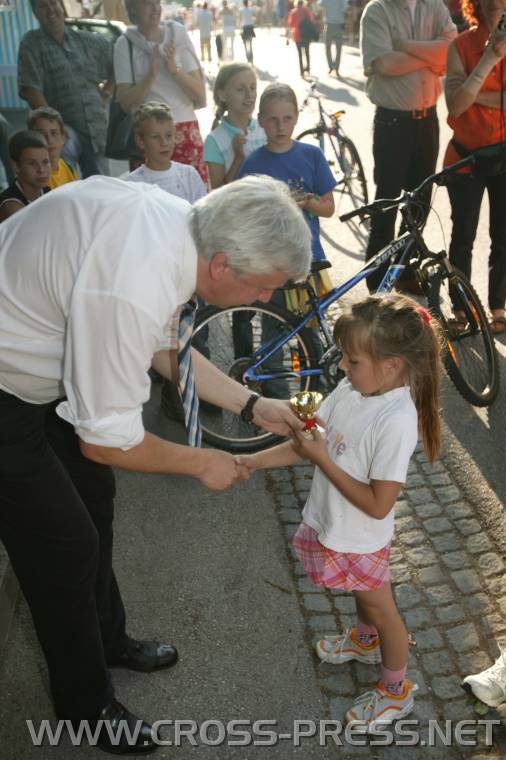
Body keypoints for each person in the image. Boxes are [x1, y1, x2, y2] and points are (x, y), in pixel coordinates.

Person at [0, 174, 311, 755]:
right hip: (5, 386)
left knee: (95, 500)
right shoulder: (135, 280)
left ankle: (108, 640)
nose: (266, 300)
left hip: (36, 369)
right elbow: (105, 441)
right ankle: (84, 704)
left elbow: (162, 346)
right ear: (222, 265)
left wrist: (253, 402)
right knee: (63, 544)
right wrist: (200, 462)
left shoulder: (182, 228)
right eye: (266, 287)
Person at [240, 294, 443, 731]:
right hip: (338, 526)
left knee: (383, 608)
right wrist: (254, 461)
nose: (341, 370)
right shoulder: (352, 390)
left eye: (352, 361)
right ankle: (364, 641)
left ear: (390, 366)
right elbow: (309, 444)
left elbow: (378, 503)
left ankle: (395, 690)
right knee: (360, 594)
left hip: (361, 537)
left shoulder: (395, 420)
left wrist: (323, 459)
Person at [360, 0, 456, 292]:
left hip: (427, 120)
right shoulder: (377, 10)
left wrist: (403, 45)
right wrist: (431, 54)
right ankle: (377, 284)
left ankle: (403, 268)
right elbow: (384, 65)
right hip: (393, 122)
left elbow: (450, 52)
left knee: (421, 200)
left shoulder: (435, 7)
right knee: (387, 202)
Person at [444, 0, 506, 334]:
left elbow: (467, 97)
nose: (497, 4)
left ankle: (498, 305)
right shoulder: (461, 45)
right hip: (466, 156)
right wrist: (489, 60)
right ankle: (461, 308)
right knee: (463, 236)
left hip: (503, 155)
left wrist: (475, 89)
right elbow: (456, 104)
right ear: (476, 4)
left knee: (503, 235)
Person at [238, 83, 336, 262]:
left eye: (287, 118)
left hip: (309, 258)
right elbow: (243, 217)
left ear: (297, 117)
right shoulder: (251, 165)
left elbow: (329, 207)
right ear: (260, 120)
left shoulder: (312, 155)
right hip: (268, 263)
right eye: (273, 119)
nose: (281, 126)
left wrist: (308, 203)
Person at [114, 0, 208, 183]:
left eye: (157, 2)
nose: (155, 8)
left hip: (184, 131)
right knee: (151, 206)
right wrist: (150, 76)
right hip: (149, 136)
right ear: (133, 9)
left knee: (193, 204)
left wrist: (173, 69)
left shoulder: (177, 35)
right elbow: (125, 103)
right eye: (147, 3)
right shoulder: (125, 44)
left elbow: (200, 94)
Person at [18, 0, 113, 178]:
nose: (50, 10)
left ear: (62, 7)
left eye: (53, 3)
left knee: (102, 187)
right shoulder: (31, 43)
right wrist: (55, 127)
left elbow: (116, 62)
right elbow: (31, 90)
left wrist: (107, 93)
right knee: (61, 182)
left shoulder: (85, 40)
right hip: (63, 131)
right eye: (42, 6)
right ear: (35, 12)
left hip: (95, 127)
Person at [125, 101, 206, 202]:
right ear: (140, 141)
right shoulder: (133, 183)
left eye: (168, 136)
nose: (164, 143)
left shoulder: (189, 175)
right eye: (155, 137)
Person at [204, 63, 266, 188]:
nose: (249, 95)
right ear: (222, 95)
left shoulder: (265, 128)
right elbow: (218, 192)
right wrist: (238, 159)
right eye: (240, 89)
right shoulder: (214, 141)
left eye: (253, 88)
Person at [0, 130, 50, 223]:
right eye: (32, 163)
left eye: (45, 162)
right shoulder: (10, 205)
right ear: (16, 166)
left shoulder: (48, 192)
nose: (41, 170)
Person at [27, 106, 78, 190]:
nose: (49, 140)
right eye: (41, 134)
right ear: (30, 138)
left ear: (63, 138)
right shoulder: (31, 176)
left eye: (54, 133)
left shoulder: (68, 168)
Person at [288, 0, 317, 77]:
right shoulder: (307, 10)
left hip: (297, 35)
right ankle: (308, 68)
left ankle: (301, 71)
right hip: (306, 35)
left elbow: (290, 24)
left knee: (300, 54)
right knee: (307, 52)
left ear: (296, 4)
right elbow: (312, 19)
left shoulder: (293, 12)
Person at [319, 0, 348, 76]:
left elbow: (320, 5)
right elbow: (345, 9)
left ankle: (331, 66)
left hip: (329, 25)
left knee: (327, 47)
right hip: (339, 25)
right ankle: (336, 67)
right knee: (338, 49)